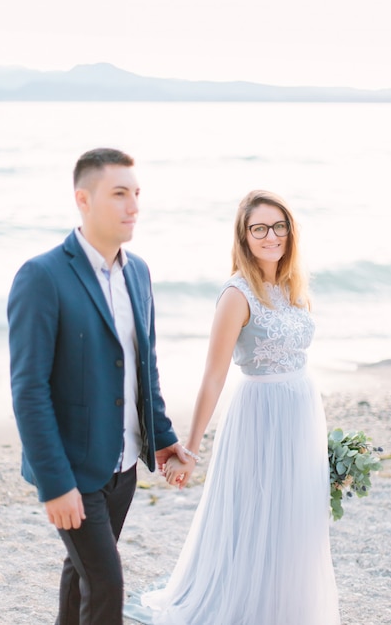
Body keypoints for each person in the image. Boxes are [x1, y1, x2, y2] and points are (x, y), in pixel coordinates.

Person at [142, 190, 341, 624]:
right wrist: (190, 450)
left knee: (296, 515)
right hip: (260, 413)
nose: (271, 236)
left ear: (290, 232)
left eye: (279, 226)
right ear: (245, 237)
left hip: (302, 409)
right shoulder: (236, 294)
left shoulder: (292, 286)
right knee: (257, 511)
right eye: (260, 228)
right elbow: (213, 377)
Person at [7, 147, 187, 625]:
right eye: (119, 194)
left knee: (82, 571)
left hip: (124, 466)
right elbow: (29, 390)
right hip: (73, 470)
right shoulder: (42, 276)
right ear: (83, 200)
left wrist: (164, 439)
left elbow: (143, 367)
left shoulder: (140, 273)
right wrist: (55, 483)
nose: (133, 207)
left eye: (136, 194)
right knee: (107, 584)